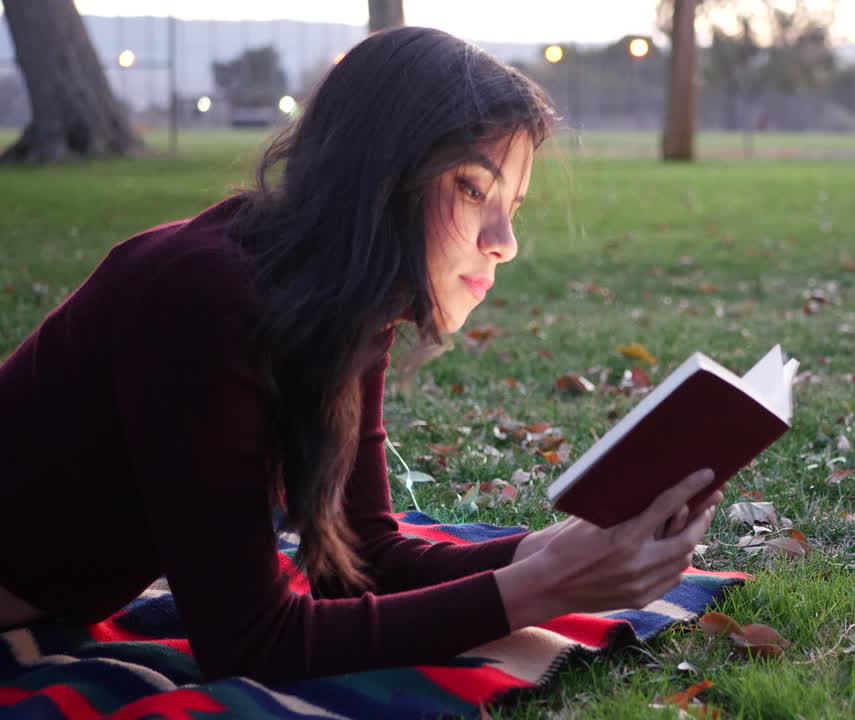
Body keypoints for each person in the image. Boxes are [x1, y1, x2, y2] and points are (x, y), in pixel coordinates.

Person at [0, 27, 723, 685]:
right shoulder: (203, 296)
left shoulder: (348, 302)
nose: (505, 240)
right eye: (474, 188)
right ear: (380, 179)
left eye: (515, 205)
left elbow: (366, 558)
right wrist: (545, 589)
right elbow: (250, 645)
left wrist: (547, 550)